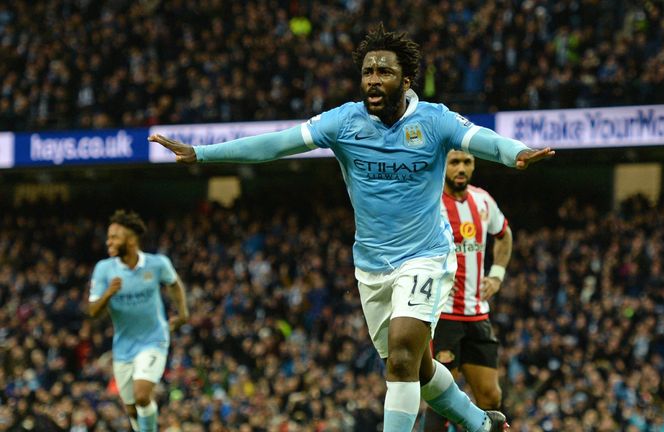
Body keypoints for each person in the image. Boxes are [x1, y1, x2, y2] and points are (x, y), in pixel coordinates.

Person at [149, 24, 553, 432]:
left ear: (406, 80)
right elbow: (276, 143)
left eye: (384, 73)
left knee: (400, 360)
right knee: (420, 370)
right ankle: (480, 425)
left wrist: (514, 153)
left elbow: (478, 137)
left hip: (426, 258)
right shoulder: (345, 121)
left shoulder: (434, 120)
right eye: (367, 72)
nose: (373, 80)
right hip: (372, 267)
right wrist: (201, 154)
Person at [423, 150, 512, 431]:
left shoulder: (483, 200)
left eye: (467, 163)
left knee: (491, 396)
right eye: (454, 162)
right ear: (443, 165)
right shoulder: (429, 200)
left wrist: (496, 276)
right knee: (441, 397)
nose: (461, 168)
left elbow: (504, 235)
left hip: (477, 314)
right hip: (444, 314)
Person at [88, 210, 189, 432]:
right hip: (123, 346)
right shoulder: (104, 269)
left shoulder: (157, 264)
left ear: (131, 240)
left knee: (142, 395)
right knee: (132, 409)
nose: (109, 241)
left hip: (153, 339)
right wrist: (108, 294)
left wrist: (183, 314)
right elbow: (93, 311)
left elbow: (173, 283)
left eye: (114, 236)